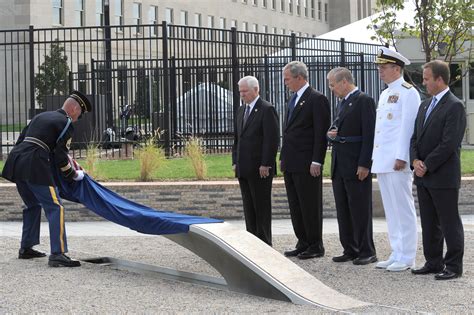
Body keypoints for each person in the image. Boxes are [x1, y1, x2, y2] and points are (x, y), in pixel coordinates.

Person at [1, 90, 92, 267]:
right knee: (56, 207)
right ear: (73, 109)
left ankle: (26, 248)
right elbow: (60, 155)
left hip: (17, 162)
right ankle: (58, 254)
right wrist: (72, 174)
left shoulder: (41, 116)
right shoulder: (65, 122)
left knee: (33, 205)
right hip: (35, 165)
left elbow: (22, 139)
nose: (77, 119)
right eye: (79, 114)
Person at [410, 60, 466, 280]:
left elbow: (449, 143)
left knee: (449, 221)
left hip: (442, 175)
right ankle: (433, 261)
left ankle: (453, 266)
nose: (423, 83)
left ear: (440, 79)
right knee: (429, 221)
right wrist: (415, 160)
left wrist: (427, 164)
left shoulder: (454, 105)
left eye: (426, 78)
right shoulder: (425, 105)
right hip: (423, 175)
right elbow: (415, 137)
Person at [372, 47, 420, 272]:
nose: (380, 71)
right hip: (383, 159)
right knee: (391, 210)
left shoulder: (408, 92)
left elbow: (408, 128)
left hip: (397, 160)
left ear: (396, 68)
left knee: (403, 207)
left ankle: (408, 255)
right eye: (380, 67)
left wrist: (402, 156)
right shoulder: (385, 93)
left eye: (384, 67)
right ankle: (396, 251)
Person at [326, 67, 377, 265]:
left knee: (360, 209)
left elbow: (369, 134)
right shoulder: (343, 103)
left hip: (356, 162)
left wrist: (364, 163)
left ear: (344, 82)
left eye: (332, 84)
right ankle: (350, 248)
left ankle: (366, 250)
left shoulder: (363, 100)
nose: (331, 88)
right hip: (340, 163)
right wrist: (332, 134)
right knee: (344, 209)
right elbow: (339, 127)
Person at [280, 61, 330, 259]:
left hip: (307, 162)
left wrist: (317, 160)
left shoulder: (316, 99)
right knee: (296, 204)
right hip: (292, 161)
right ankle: (302, 241)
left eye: (287, 79)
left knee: (309, 204)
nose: (285, 83)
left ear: (299, 77)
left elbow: (320, 133)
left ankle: (315, 244)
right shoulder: (293, 99)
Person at [232, 76, 279, 246]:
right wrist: (235, 161)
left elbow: (271, 140)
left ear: (256, 90)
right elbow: (237, 139)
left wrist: (266, 163)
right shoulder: (241, 110)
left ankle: (264, 242)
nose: (242, 94)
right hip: (243, 167)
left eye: (245, 91)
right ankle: (251, 240)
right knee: (248, 206)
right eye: (240, 91)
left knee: (261, 206)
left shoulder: (267, 109)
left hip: (260, 168)